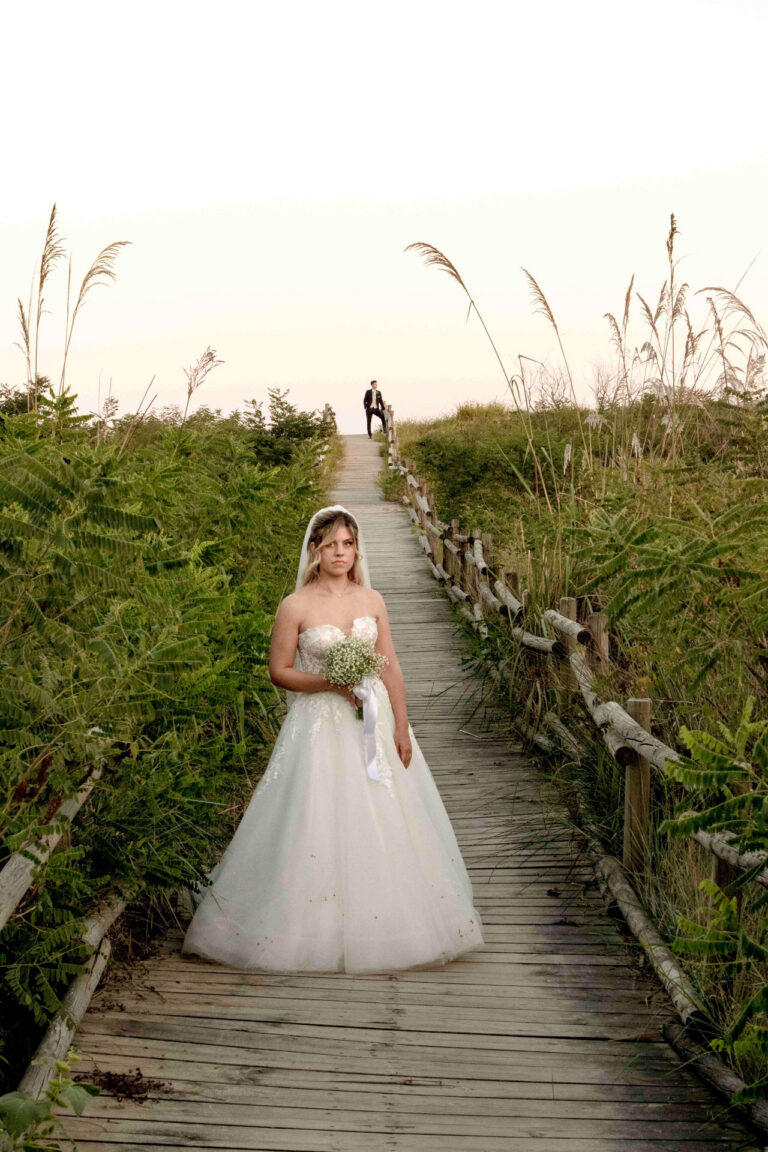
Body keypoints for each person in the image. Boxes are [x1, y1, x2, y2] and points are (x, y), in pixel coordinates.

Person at [182, 505, 484, 973]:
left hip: (374, 720)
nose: (340, 553)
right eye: (331, 545)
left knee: (384, 811)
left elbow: (391, 666)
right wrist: (330, 683)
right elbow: (279, 671)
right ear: (314, 550)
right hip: (318, 722)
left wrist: (402, 726)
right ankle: (305, 926)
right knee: (314, 814)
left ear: (356, 548)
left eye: (348, 544)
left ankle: (387, 923)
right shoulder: (295, 606)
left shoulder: (372, 600)